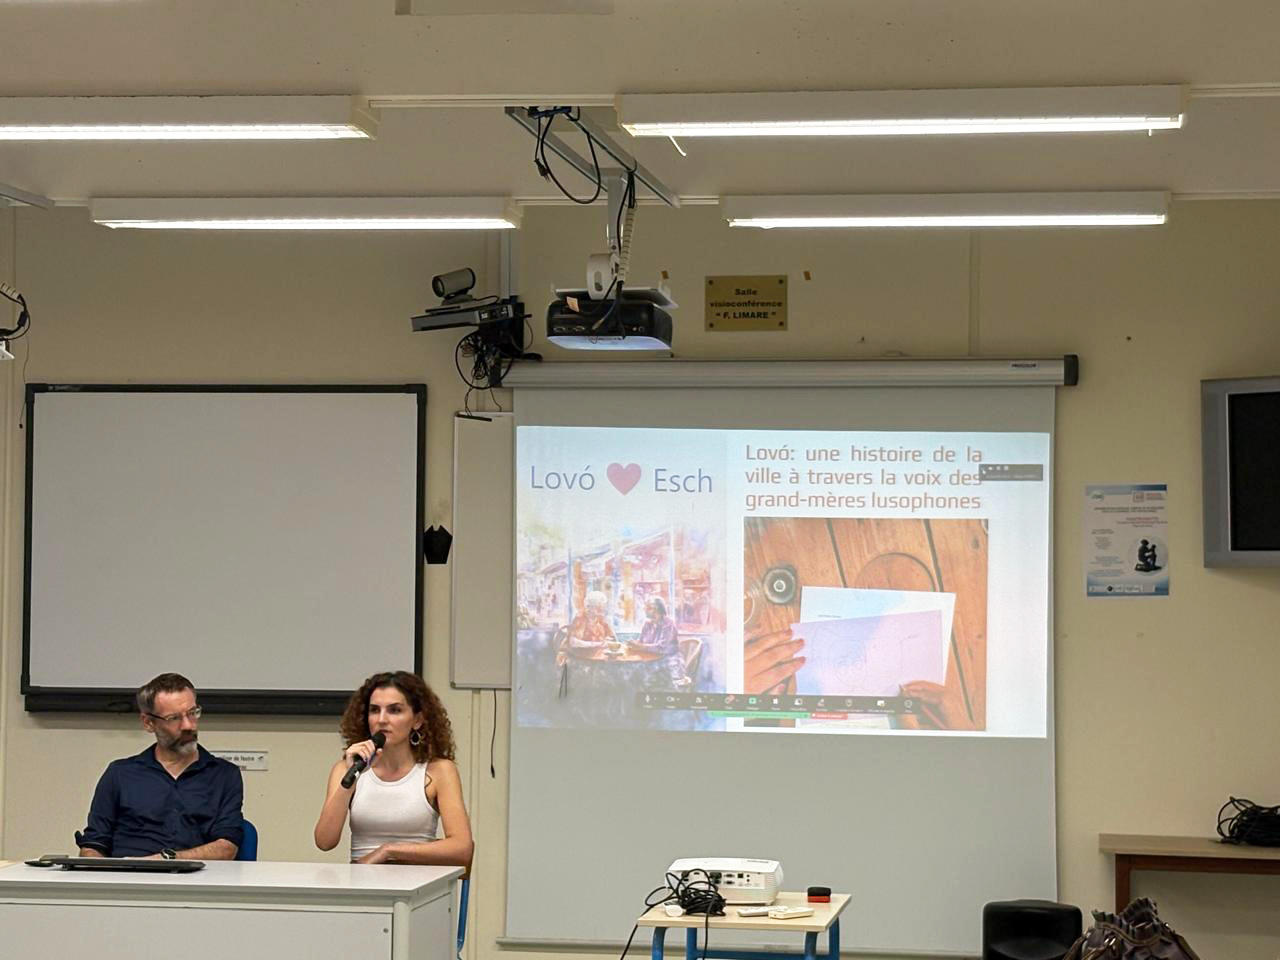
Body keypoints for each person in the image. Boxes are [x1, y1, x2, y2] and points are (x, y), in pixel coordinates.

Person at [75, 672, 243, 860]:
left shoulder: (224, 775)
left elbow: (227, 848)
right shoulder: (120, 774)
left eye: (192, 713)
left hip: (197, 875)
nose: (188, 726)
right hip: (127, 875)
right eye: (174, 718)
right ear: (148, 723)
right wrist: (98, 870)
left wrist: (164, 860)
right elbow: (93, 845)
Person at [314, 671, 474, 867]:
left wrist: (388, 851)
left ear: (417, 720)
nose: (382, 719)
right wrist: (349, 781)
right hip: (362, 880)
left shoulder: (439, 770)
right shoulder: (346, 768)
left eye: (394, 710)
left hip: (419, 881)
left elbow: (462, 849)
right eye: (374, 710)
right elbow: (324, 842)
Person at [635, 596, 689, 687]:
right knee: (635, 674)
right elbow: (641, 642)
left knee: (644, 677)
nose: (645, 610)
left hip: (669, 662)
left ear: (656, 610)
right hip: (652, 661)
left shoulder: (668, 624)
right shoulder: (647, 624)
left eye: (648, 608)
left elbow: (661, 648)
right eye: (646, 607)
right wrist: (634, 644)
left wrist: (641, 646)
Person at [555, 590, 616, 666]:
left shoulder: (601, 619)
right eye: (599, 607)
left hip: (595, 655)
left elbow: (612, 638)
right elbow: (574, 642)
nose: (602, 609)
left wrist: (608, 639)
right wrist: (598, 644)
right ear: (590, 607)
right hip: (575, 656)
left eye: (603, 607)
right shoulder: (581, 618)